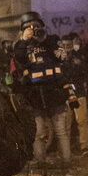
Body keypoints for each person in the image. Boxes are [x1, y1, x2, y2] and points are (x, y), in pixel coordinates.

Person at [13, 11, 71, 164]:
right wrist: (25, 41)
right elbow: (19, 58)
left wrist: (44, 40)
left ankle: (66, 161)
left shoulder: (52, 40)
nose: (35, 30)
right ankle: (40, 162)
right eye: (30, 27)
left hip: (55, 93)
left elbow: (61, 56)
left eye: (37, 26)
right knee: (39, 133)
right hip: (35, 96)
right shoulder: (21, 45)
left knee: (60, 131)